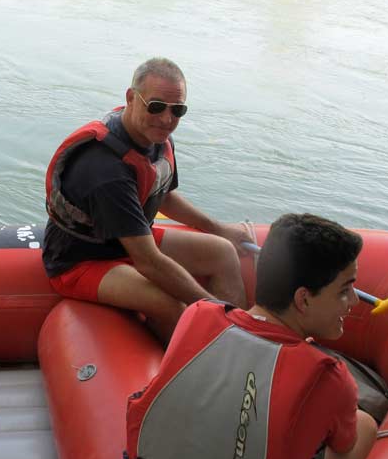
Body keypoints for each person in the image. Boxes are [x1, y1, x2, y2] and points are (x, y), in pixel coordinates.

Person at [106, 213, 379, 459]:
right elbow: (344, 443)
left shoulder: (197, 315)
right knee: (366, 426)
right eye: (344, 290)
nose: (353, 302)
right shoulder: (329, 378)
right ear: (303, 299)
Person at [43, 57, 256, 341]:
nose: (167, 119)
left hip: (127, 241)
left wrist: (217, 228)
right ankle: (206, 353)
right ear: (131, 98)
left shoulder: (155, 139)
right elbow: (148, 262)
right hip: (83, 262)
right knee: (172, 303)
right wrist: (217, 310)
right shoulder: (105, 169)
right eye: (156, 106)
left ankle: (234, 346)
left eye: (177, 110)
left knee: (224, 252)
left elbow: (162, 195)